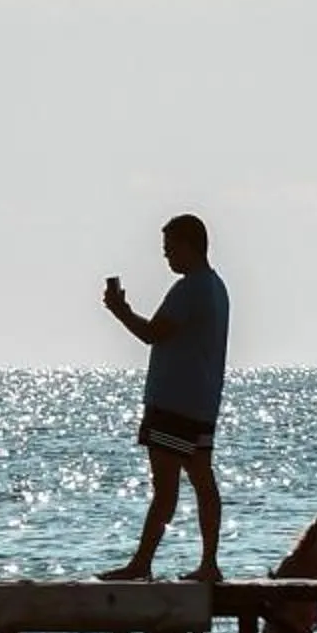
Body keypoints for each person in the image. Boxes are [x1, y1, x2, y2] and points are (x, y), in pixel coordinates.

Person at [102, 214, 230, 582]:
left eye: (170, 249)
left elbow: (153, 333)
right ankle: (209, 562)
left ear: (190, 246)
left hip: (174, 404)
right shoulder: (215, 287)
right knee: (203, 482)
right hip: (201, 402)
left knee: (166, 488)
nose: (167, 257)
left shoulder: (191, 288)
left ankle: (142, 562)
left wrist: (120, 310)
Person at [262, 514, 317, 633]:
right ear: (310, 542)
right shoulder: (293, 564)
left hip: (299, 630)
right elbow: (277, 602)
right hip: (282, 630)